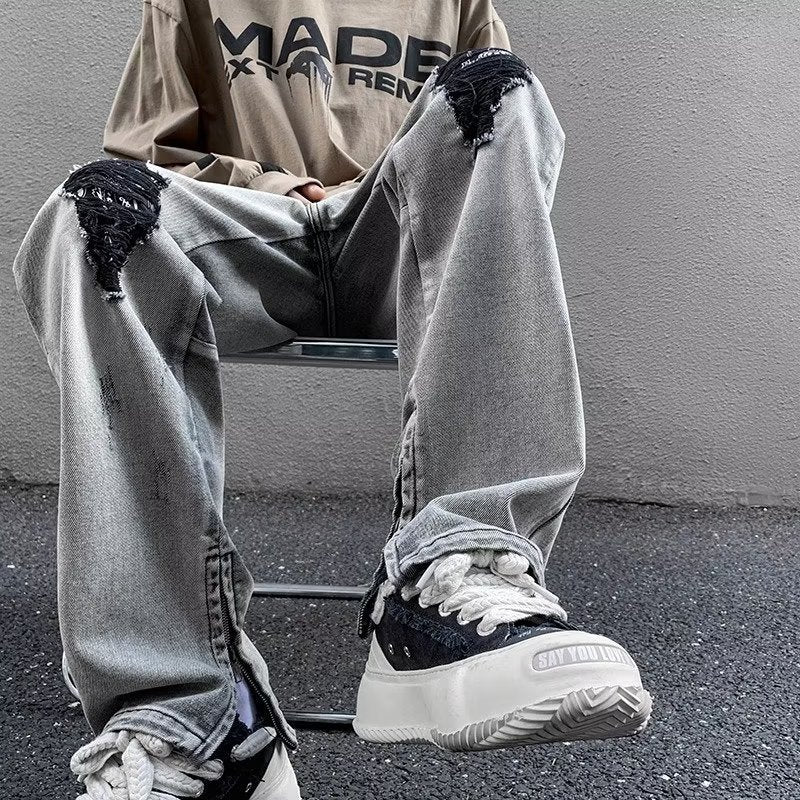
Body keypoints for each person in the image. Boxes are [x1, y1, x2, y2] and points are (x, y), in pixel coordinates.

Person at [12, 2, 653, 798]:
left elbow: (495, 166)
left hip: (393, 225)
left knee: (498, 92)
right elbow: (148, 152)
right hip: (250, 235)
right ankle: (195, 721)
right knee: (93, 210)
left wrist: (386, 188)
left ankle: (452, 571)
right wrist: (279, 185)